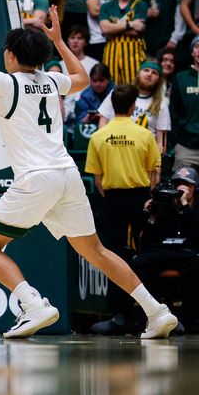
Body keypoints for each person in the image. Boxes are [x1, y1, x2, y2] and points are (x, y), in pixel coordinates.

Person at [0, 2, 177, 339]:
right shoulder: (52, 80)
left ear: (10, 55)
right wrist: (59, 41)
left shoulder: (5, 82)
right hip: (67, 175)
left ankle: (33, 304)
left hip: (36, 178)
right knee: (96, 251)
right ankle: (156, 311)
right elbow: (81, 77)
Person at [85, 83, 161, 331]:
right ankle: (151, 313)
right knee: (147, 255)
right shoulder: (145, 134)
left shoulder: (98, 136)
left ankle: (119, 314)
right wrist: (146, 196)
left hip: (113, 200)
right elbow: (154, 174)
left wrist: (110, 196)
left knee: (114, 257)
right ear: (132, 107)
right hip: (141, 200)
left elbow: (96, 178)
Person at [132, 166, 199, 333]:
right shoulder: (162, 206)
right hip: (160, 251)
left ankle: (185, 321)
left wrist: (184, 206)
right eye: (177, 184)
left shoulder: (194, 210)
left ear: (194, 189)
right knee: (138, 264)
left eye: (186, 185)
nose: (181, 188)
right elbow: (145, 244)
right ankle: (143, 318)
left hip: (187, 253)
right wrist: (150, 214)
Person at [99, 61, 169, 153]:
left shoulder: (162, 102)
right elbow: (103, 123)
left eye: (154, 73)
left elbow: (161, 142)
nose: (149, 74)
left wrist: (157, 163)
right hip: (115, 147)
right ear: (138, 74)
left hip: (144, 151)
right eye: (146, 70)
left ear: (159, 79)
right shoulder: (119, 92)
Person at [98, 0, 148, 85]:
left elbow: (137, 31)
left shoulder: (140, 4)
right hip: (111, 52)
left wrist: (112, 28)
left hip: (133, 52)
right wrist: (130, 24)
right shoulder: (107, 6)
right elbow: (104, 29)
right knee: (111, 87)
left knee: (133, 86)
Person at [171, 37, 199, 170]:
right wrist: (177, 142)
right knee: (184, 190)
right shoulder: (180, 78)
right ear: (192, 52)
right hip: (186, 148)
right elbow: (173, 113)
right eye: (197, 46)